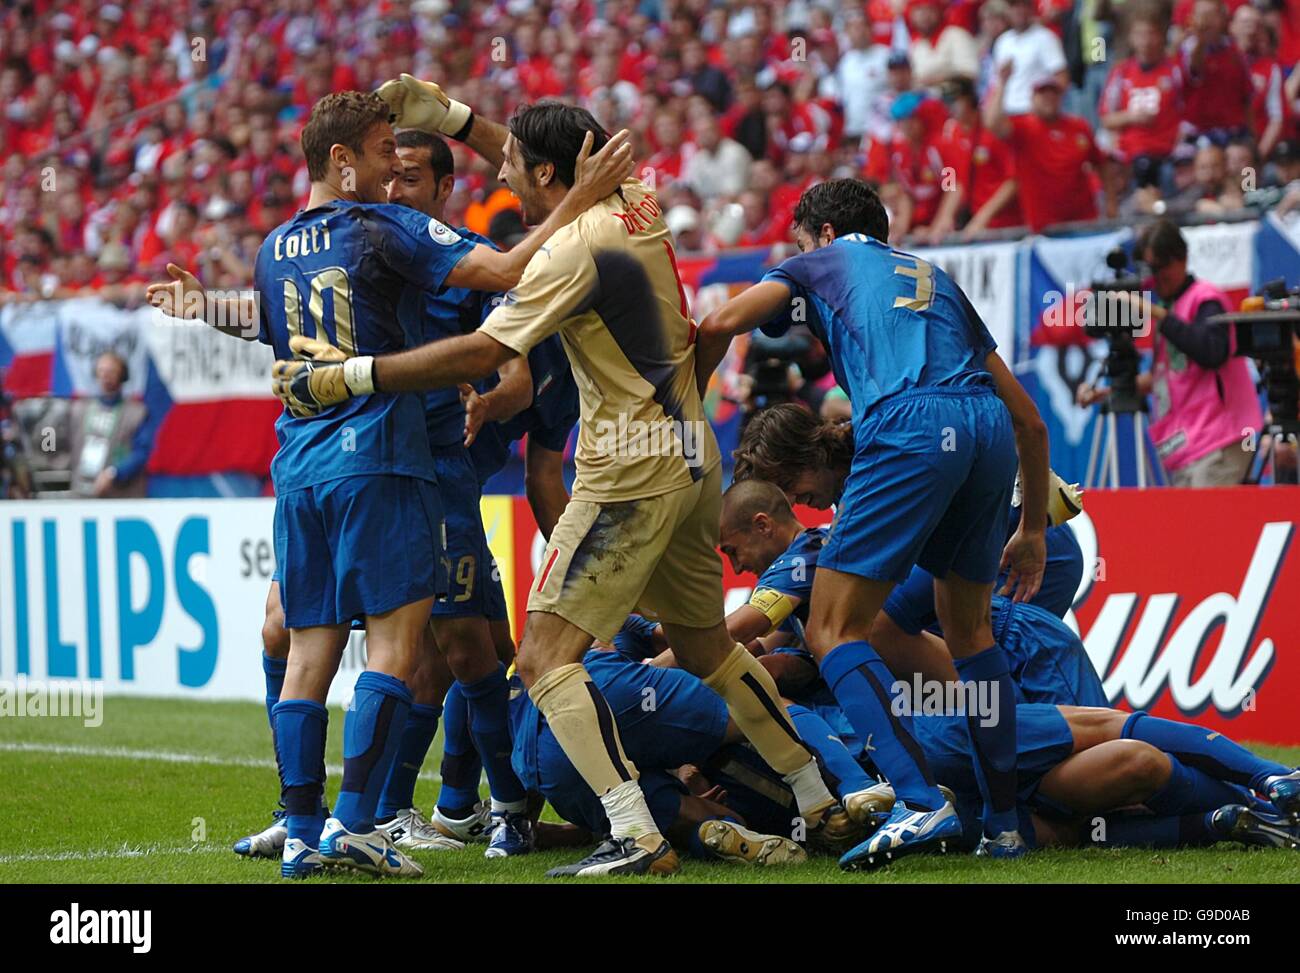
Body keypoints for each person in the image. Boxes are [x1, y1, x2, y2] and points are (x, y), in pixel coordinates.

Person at [273, 78, 854, 878]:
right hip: (693, 455)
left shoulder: (569, 254)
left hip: (629, 469)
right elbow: (551, 167)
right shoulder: (637, 203)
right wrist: (451, 119)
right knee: (709, 645)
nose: (500, 173)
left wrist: (356, 376)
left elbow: (483, 354)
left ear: (550, 178)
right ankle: (815, 792)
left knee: (545, 659)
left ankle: (634, 831)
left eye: (514, 164)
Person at [160, 89, 632, 879]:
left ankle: (307, 827)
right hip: (381, 457)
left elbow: (274, 323)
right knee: (397, 646)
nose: (394, 166)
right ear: (343, 162)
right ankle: (355, 822)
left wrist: (202, 305)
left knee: (312, 644)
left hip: (300, 464)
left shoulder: (274, 245)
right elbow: (514, 266)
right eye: (384, 152)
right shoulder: (386, 228)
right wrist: (581, 195)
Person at [695, 178, 1052, 869]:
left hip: (909, 423)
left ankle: (921, 799)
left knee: (832, 627)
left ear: (823, 232)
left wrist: (686, 420)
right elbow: (1030, 421)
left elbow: (715, 325)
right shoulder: (933, 277)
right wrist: (1031, 527)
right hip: (985, 429)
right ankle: (1004, 825)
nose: (792, 256)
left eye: (798, 241)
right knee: (971, 631)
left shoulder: (821, 262)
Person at [1077, 219, 1264, 486]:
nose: (1155, 277)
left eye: (1160, 267)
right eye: (1149, 269)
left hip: (1218, 442)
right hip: (1186, 448)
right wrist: (1105, 392)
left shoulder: (1206, 298)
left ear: (1182, 258)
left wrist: (1155, 313)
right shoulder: (1169, 307)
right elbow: (1161, 379)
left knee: (1207, 527)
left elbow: (1211, 353)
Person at [68, 352, 153, 498]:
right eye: (101, 371)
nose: (105, 376)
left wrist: (114, 473)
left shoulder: (137, 413)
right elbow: (51, 437)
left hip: (122, 495)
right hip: (82, 492)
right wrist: (47, 444)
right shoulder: (78, 410)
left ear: (122, 375)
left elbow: (142, 452)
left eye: (111, 371)